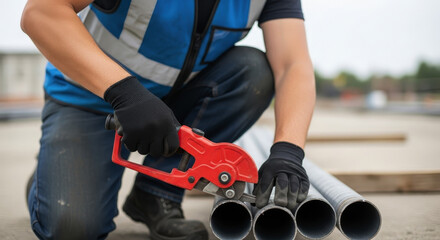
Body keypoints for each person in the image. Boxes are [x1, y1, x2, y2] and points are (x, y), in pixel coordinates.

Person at [21, 0, 315, 239]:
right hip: (91, 97)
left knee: (253, 72)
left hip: (173, 104)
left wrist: (288, 151)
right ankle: (47, 176)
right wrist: (125, 93)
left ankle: (155, 195)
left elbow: (292, 65)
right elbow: (42, 12)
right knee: (73, 229)